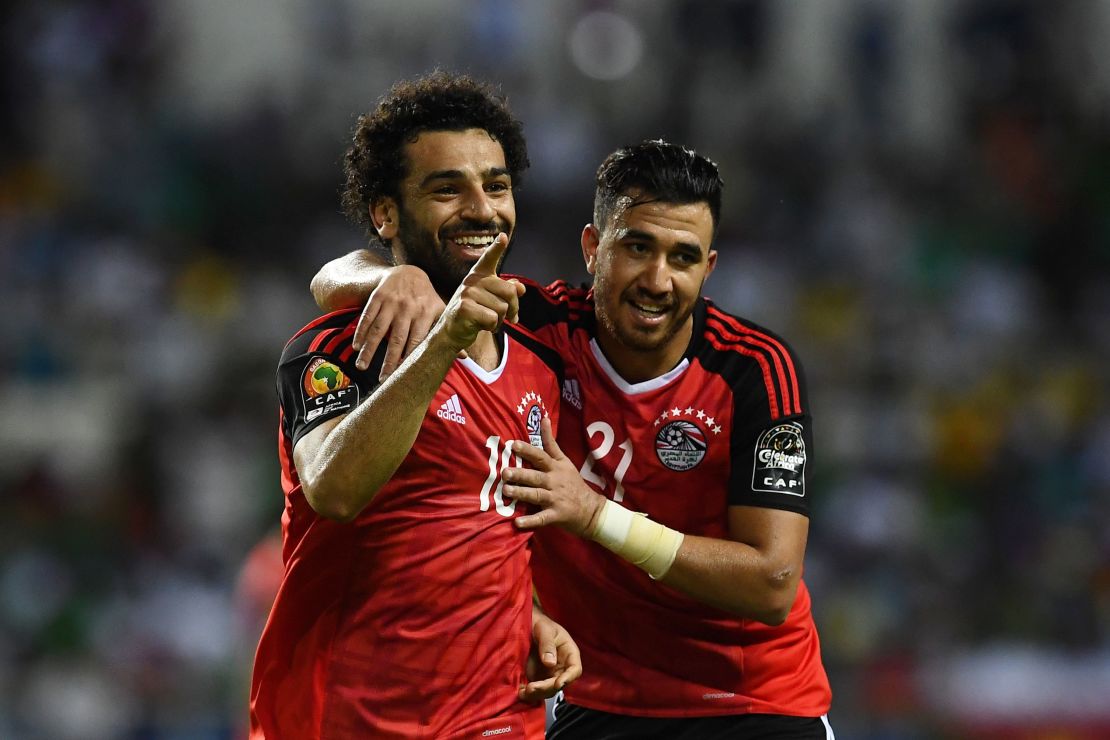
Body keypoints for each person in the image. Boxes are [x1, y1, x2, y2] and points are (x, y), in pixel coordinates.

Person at [313, 140, 834, 738]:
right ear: (593, 247)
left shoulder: (754, 369)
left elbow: (771, 584)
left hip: (751, 703)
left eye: (682, 257)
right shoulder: (535, 327)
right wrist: (395, 276)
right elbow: (331, 278)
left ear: (708, 268)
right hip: (599, 698)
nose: (658, 280)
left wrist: (593, 514)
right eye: (637, 247)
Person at [250, 72, 581, 740]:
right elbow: (335, 490)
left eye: (495, 184)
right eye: (446, 187)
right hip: (350, 721)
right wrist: (438, 343)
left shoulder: (536, 355)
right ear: (386, 214)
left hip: (502, 718)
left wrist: (528, 611)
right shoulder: (335, 348)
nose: (481, 208)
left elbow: (480, 516)